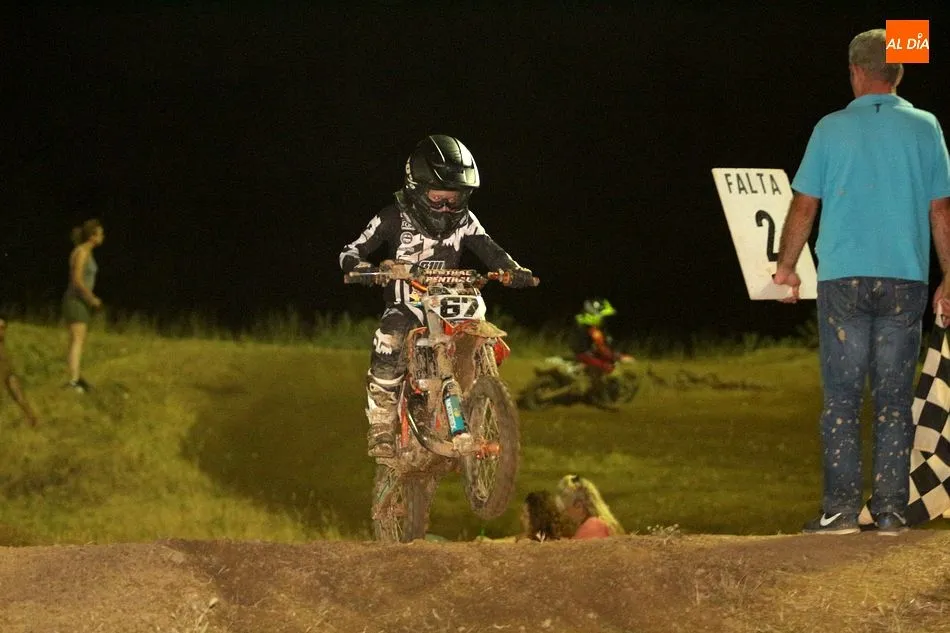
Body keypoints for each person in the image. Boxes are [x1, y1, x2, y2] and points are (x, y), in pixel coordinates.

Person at [774, 28, 950, 535]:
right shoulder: (926, 126)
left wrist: (787, 266)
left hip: (843, 281)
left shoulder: (830, 128)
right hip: (906, 279)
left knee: (843, 398)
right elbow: (940, 210)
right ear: (898, 72)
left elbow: (804, 205)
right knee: (894, 400)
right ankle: (891, 510)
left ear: (854, 71)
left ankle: (841, 511)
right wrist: (948, 276)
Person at [339, 135, 535, 458]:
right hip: (408, 303)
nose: (446, 207)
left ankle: (481, 391)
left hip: (450, 300)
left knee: (478, 326)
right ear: (416, 189)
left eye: (454, 199)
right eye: (438, 198)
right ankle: (382, 423)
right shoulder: (392, 217)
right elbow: (350, 252)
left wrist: (513, 270)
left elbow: (491, 249)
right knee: (390, 337)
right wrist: (369, 269)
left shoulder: (466, 222)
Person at [63, 218, 105, 393]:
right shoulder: (81, 252)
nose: (103, 237)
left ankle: (76, 376)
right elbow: (77, 280)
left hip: (80, 301)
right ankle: (73, 381)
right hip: (76, 300)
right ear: (92, 236)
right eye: (100, 234)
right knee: (77, 340)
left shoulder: (87, 252)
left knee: (77, 339)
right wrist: (91, 298)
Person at [568, 298, 633, 405]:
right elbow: (603, 350)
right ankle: (603, 399)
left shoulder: (581, 322)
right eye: (603, 317)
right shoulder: (594, 331)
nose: (604, 320)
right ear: (595, 314)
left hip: (580, 352)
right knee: (608, 368)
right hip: (584, 355)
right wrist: (619, 357)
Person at [0, 315, 42, 426]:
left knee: (20, 396)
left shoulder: (2, 343)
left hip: (8, 371)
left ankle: (32, 419)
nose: (0, 331)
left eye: (2, 328)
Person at [556, 474, 624, 539]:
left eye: (565, 511)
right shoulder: (600, 523)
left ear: (578, 506)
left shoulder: (592, 527)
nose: (563, 518)